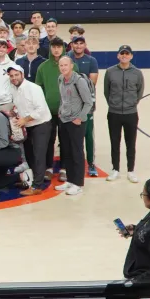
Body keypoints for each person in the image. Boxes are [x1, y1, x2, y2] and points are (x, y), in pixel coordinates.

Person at [36, 37, 78, 183]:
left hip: (66, 112)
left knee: (65, 140)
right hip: (48, 111)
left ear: (63, 48)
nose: (56, 49)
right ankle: (48, 168)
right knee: (49, 140)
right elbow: (39, 89)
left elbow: (76, 89)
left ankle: (64, 169)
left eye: (59, 47)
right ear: (50, 48)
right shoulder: (43, 67)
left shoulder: (72, 66)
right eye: (53, 47)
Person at [8, 65, 51, 196]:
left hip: (41, 124)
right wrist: (14, 112)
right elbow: (19, 105)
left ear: (22, 74)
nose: (14, 78)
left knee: (38, 155)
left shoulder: (34, 88)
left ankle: (37, 186)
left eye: (16, 75)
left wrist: (24, 119)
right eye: (11, 76)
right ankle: (33, 180)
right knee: (29, 155)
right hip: (27, 126)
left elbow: (40, 110)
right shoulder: (13, 89)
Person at [105, 45, 145, 183]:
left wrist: (131, 103)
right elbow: (106, 91)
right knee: (114, 142)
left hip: (131, 113)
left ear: (131, 56)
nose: (124, 56)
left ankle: (130, 170)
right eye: (122, 53)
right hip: (114, 113)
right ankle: (115, 169)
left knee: (131, 143)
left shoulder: (137, 73)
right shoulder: (110, 72)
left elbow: (139, 91)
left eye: (127, 54)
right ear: (118, 55)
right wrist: (113, 104)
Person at [56, 56, 94, 196]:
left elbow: (88, 102)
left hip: (76, 122)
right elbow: (63, 98)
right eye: (61, 65)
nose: (63, 68)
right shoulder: (60, 79)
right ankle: (70, 180)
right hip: (64, 120)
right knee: (67, 152)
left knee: (77, 152)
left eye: (66, 65)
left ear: (71, 66)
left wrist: (80, 118)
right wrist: (60, 111)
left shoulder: (79, 81)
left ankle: (78, 183)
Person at [67, 35, 100, 177]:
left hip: (87, 103)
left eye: (81, 43)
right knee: (72, 135)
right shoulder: (67, 59)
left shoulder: (91, 60)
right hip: (71, 104)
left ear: (85, 45)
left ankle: (91, 163)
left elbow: (92, 82)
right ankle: (73, 163)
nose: (78, 46)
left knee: (88, 134)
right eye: (76, 43)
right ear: (72, 45)